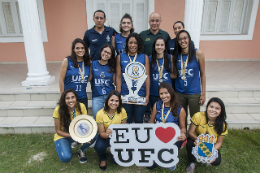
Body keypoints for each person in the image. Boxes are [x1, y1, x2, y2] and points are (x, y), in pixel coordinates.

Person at [140, 12, 171, 122]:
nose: (154, 23)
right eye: (152, 20)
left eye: (157, 20)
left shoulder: (166, 35)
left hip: (164, 78)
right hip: (150, 68)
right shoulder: (142, 35)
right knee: (152, 111)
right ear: (149, 21)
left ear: (160, 22)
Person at [172, 30, 206, 129]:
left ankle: (194, 139)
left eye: (185, 38)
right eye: (180, 39)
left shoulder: (198, 53)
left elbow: (203, 74)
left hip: (194, 92)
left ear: (189, 39)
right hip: (180, 92)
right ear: (177, 41)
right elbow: (175, 74)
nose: (183, 41)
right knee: (182, 116)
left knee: (195, 118)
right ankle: (183, 138)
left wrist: (203, 94)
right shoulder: (176, 56)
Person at [149, 83, 186, 170]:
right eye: (161, 94)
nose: (163, 96)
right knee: (150, 165)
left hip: (173, 138)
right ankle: (160, 154)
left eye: (166, 93)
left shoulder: (180, 109)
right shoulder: (157, 105)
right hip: (158, 136)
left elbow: (183, 127)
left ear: (171, 93)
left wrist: (183, 134)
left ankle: (169, 157)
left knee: (169, 164)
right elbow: (151, 123)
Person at [53, 89, 97, 163]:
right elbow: (58, 131)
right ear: (64, 99)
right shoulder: (58, 110)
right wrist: (74, 136)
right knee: (66, 158)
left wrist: (86, 136)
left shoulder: (81, 106)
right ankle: (65, 145)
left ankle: (81, 151)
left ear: (76, 98)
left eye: (72, 97)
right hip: (63, 136)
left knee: (94, 133)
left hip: (78, 134)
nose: (71, 100)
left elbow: (85, 124)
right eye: (67, 98)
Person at [186, 97, 228, 173]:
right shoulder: (198, 116)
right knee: (189, 144)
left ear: (221, 111)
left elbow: (219, 142)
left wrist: (211, 152)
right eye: (211, 106)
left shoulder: (223, 124)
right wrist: (200, 142)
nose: (213, 110)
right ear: (207, 107)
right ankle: (192, 162)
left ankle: (207, 159)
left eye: (217, 108)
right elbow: (190, 133)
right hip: (196, 140)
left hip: (211, 144)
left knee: (216, 161)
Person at [116, 32, 150, 123]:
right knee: (126, 121)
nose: (133, 45)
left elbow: (147, 77)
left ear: (139, 45)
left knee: (139, 120)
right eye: (130, 42)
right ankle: (127, 137)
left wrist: (147, 95)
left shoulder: (144, 57)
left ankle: (137, 137)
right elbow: (118, 77)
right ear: (127, 44)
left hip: (140, 94)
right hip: (125, 94)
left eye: (135, 43)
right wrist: (118, 94)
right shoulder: (120, 57)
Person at [94, 90, 127, 170]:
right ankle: (103, 159)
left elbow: (123, 130)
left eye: (116, 101)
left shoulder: (122, 111)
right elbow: (101, 133)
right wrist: (107, 134)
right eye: (112, 100)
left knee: (116, 161)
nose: (114, 103)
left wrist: (117, 145)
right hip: (105, 135)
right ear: (107, 100)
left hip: (118, 137)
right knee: (98, 147)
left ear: (119, 102)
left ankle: (113, 151)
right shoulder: (100, 113)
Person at [59, 38, 91, 111]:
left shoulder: (87, 62)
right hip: (70, 98)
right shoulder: (67, 61)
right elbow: (61, 79)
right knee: (69, 120)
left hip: (82, 97)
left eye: (82, 48)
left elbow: (88, 78)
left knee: (82, 120)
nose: (80, 50)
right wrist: (63, 96)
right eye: (77, 48)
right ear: (73, 49)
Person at [148, 36, 174, 118]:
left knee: (167, 114)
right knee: (155, 114)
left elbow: (174, 74)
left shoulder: (170, 57)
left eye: (162, 45)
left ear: (165, 46)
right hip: (154, 92)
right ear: (154, 46)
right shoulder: (149, 59)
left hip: (167, 92)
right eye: (157, 45)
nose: (159, 47)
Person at [88, 44, 116, 120]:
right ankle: (98, 132)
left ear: (111, 55)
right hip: (97, 96)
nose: (106, 54)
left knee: (111, 118)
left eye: (109, 53)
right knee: (97, 118)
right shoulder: (93, 64)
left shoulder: (112, 66)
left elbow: (116, 82)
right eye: (105, 51)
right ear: (101, 51)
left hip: (110, 96)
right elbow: (88, 79)